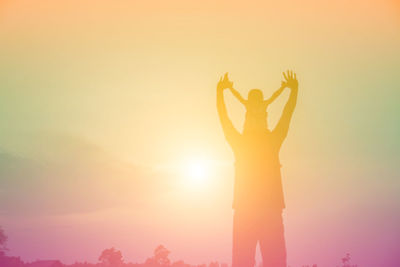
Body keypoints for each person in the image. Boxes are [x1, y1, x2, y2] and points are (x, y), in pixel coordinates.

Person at [216, 71, 298, 267]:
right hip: (255, 211)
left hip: (259, 212)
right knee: (257, 262)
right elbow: (224, 118)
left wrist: (220, 92)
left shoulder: (256, 141)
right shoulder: (265, 141)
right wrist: (293, 90)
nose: (254, 115)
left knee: (266, 261)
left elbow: (224, 118)